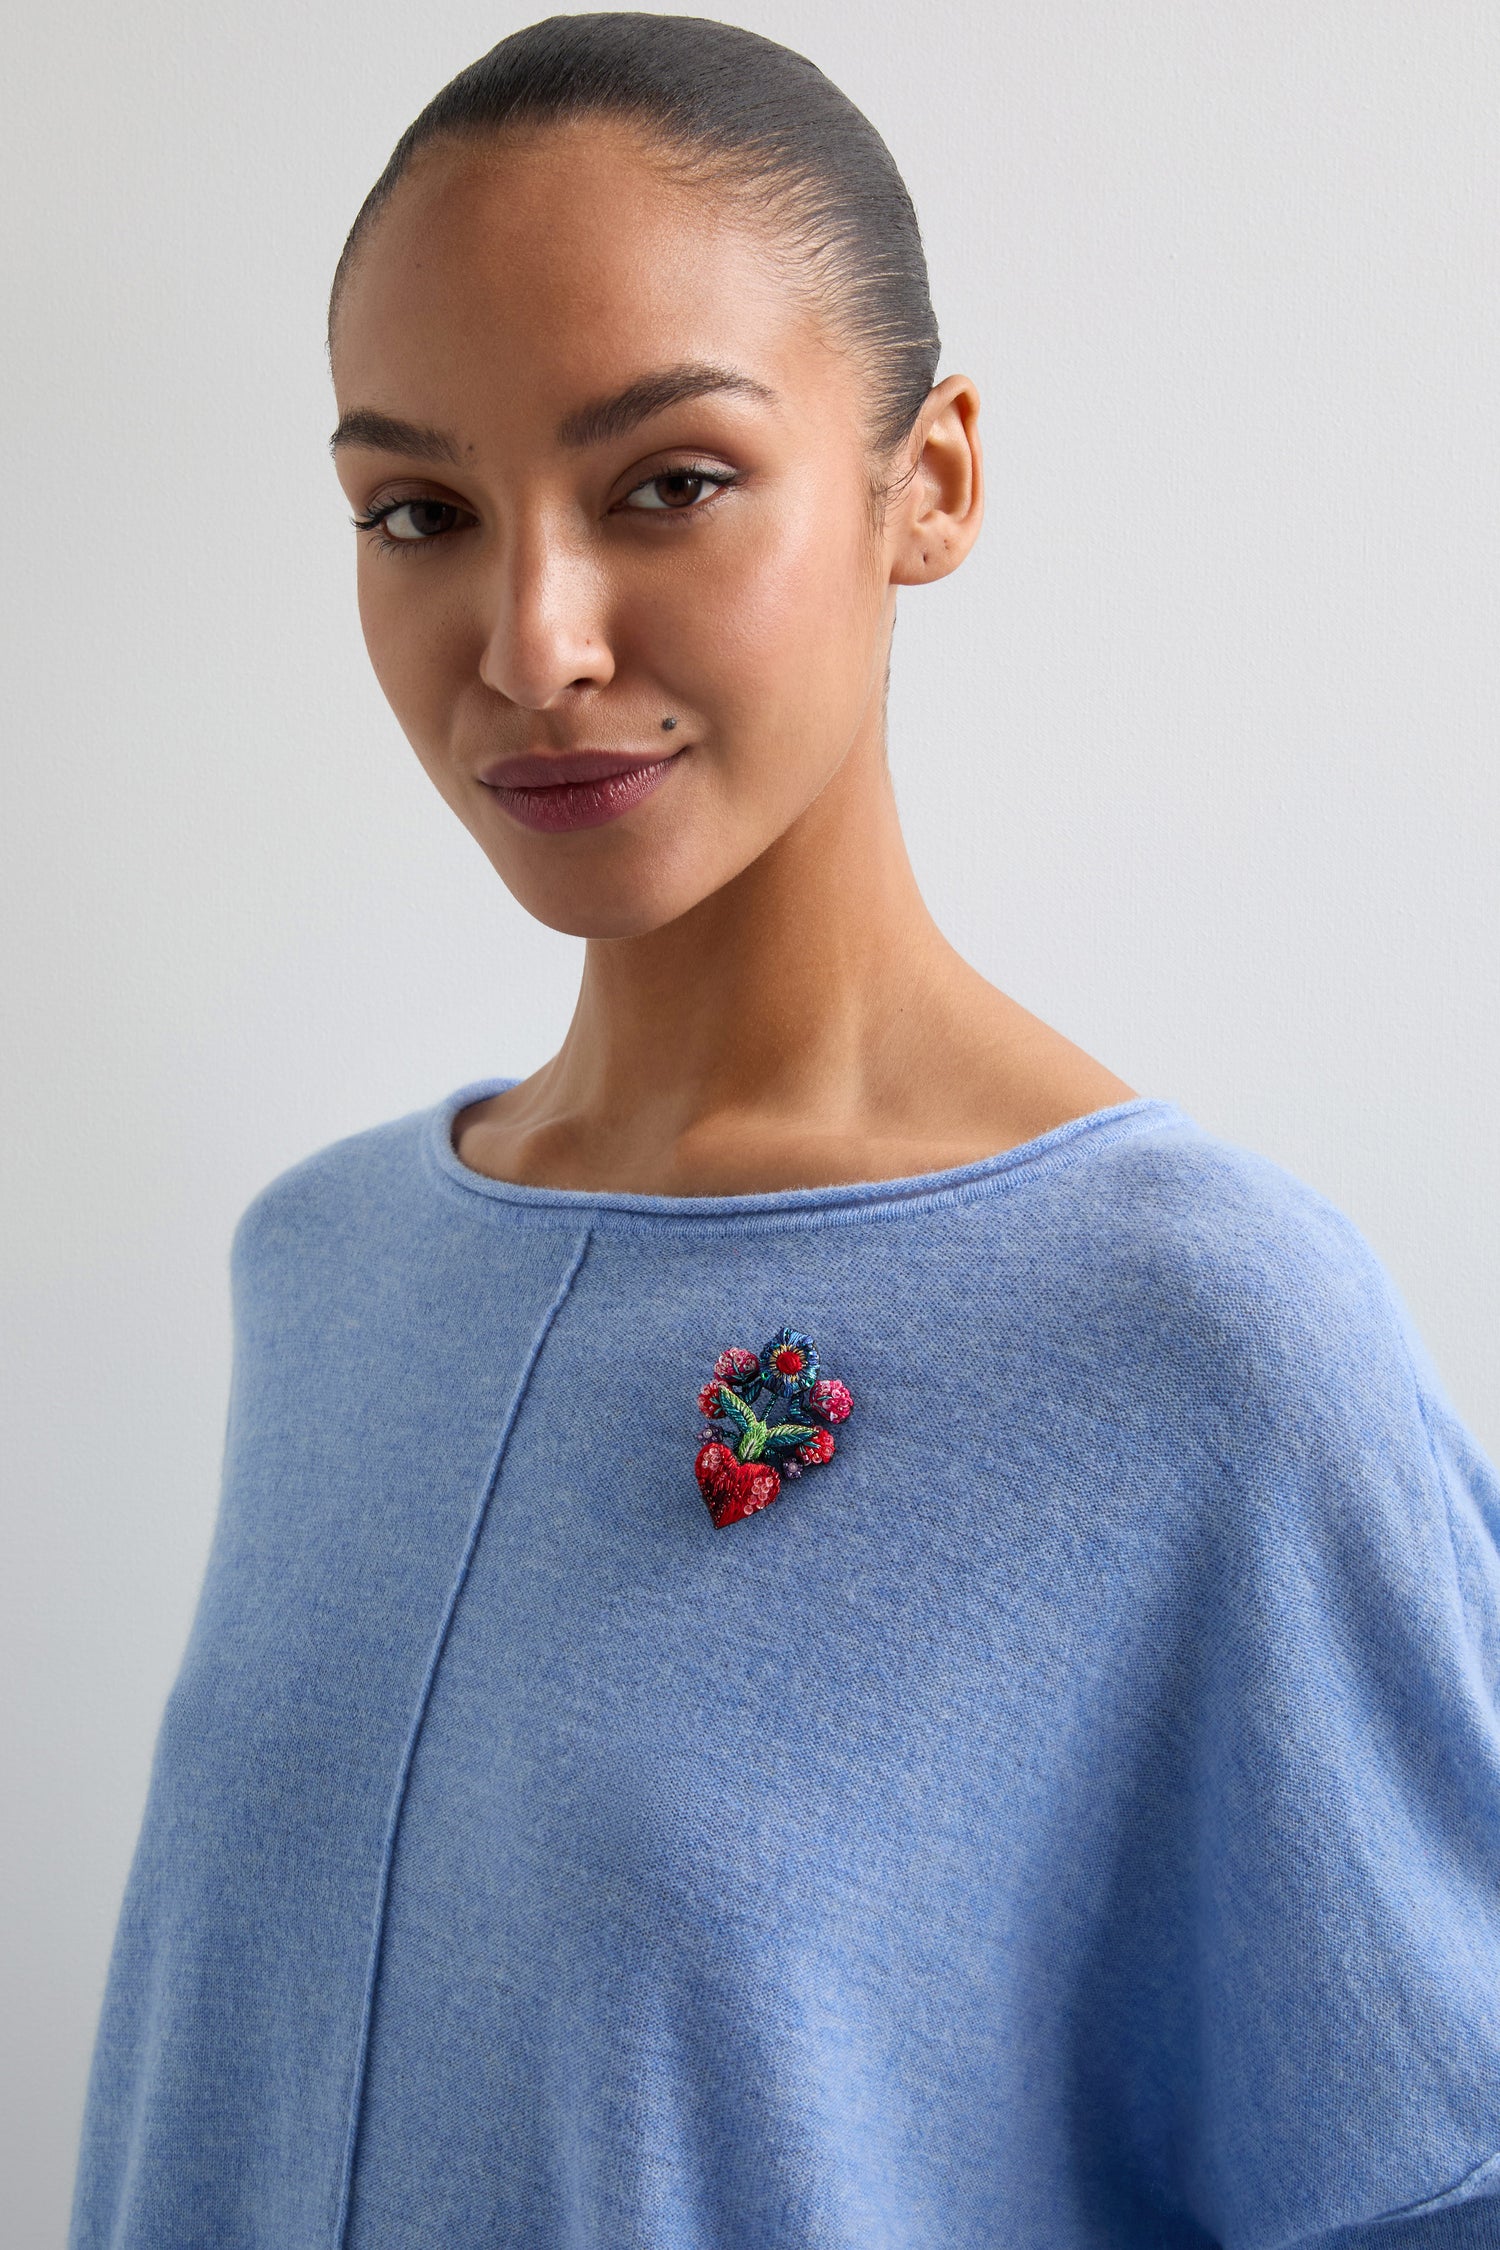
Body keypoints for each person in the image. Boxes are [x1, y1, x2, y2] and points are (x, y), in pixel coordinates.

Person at [68, 14, 1500, 2247]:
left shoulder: (1198, 1339)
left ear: (927, 480)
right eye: (419, 512)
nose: (531, 640)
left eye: (668, 482)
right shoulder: (328, 1268)